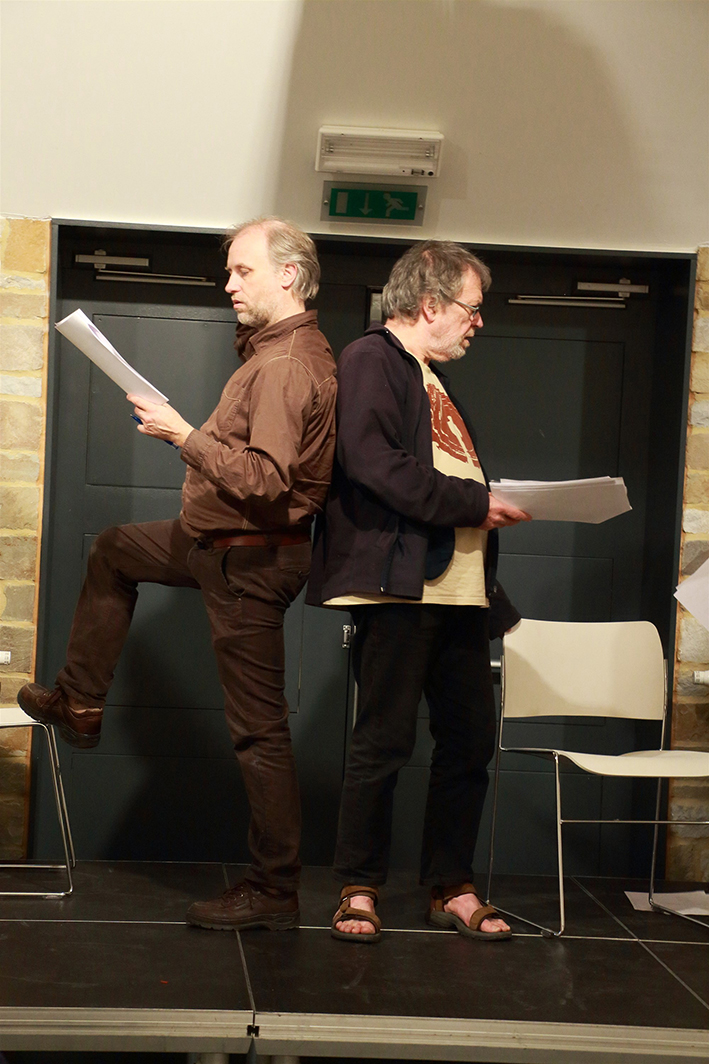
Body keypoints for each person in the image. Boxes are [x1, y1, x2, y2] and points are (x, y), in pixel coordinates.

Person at [19, 218, 337, 932]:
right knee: (114, 550)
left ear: (288, 274)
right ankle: (80, 703)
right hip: (212, 540)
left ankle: (274, 890)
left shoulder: (285, 365)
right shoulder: (275, 351)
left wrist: (182, 434)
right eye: (229, 271)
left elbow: (265, 481)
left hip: (249, 559)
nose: (229, 284)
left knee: (258, 733)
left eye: (243, 271)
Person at [307, 240, 530, 943]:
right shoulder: (371, 358)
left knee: (469, 743)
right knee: (383, 743)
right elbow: (374, 463)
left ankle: (451, 886)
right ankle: (358, 887)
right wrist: (477, 503)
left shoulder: (431, 377)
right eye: (471, 307)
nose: (478, 321)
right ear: (430, 304)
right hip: (401, 592)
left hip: (460, 596)